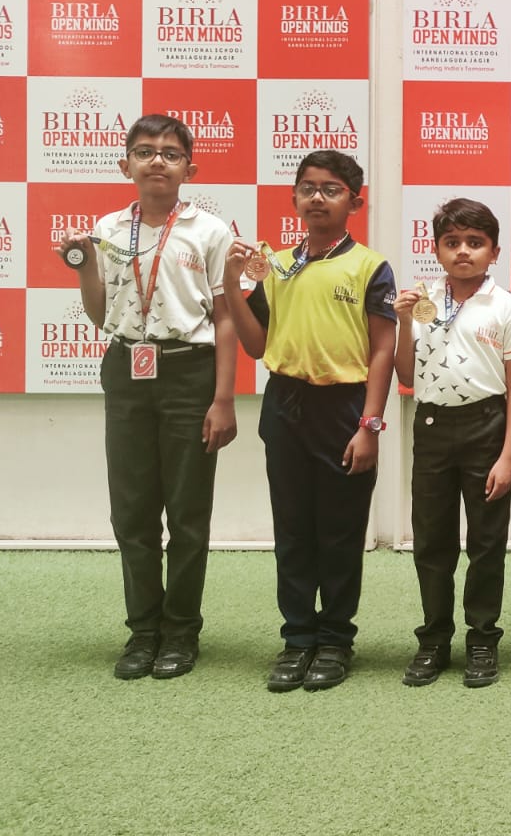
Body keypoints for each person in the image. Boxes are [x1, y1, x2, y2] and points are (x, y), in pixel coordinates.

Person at [61, 115, 236, 681]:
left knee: (187, 512)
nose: (157, 160)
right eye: (144, 151)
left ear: (190, 168)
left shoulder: (210, 231)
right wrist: (85, 266)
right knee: (132, 510)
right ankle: (143, 630)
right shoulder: (108, 229)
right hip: (126, 369)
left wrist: (224, 398)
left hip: (190, 372)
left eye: (170, 153)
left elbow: (226, 317)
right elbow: (99, 314)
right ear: (125, 165)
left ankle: (181, 630)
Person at [222, 150, 396, 693]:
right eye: (308, 188)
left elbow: (383, 350)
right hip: (286, 404)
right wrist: (231, 284)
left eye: (331, 189)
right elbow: (256, 346)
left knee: (340, 531)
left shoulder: (370, 266)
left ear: (354, 203)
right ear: (294, 197)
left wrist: (370, 425)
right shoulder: (275, 265)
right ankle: (298, 638)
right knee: (293, 529)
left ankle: (336, 639)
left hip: (345, 408)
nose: (317, 197)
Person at [393, 198, 511, 689]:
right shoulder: (421, 302)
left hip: (486, 426)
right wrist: (402, 323)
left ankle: (482, 638)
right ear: (435, 249)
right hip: (432, 427)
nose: (463, 252)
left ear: (494, 252)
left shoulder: (506, 306)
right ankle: (434, 638)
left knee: (486, 540)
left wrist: (508, 456)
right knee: (431, 540)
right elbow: (405, 376)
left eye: (475, 243)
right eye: (452, 242)